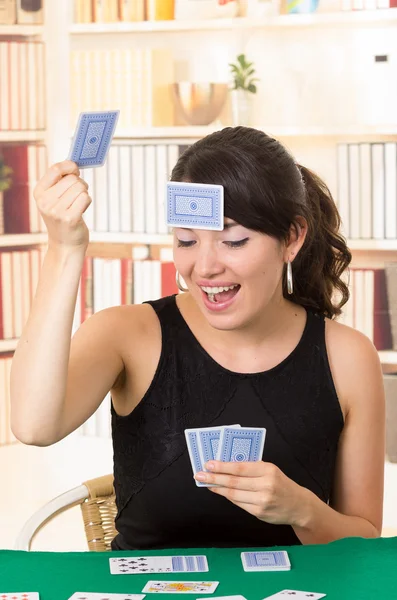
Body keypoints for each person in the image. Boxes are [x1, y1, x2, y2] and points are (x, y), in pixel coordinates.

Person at [10, 126, 385, 551]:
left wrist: (301, 509)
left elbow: (365, 540)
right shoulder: (128, 334)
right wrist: (64, 247)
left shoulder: (348, 357)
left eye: (233, 241)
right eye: (186, 241)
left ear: (293, 237)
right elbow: (33, 425)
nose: (204, 268)